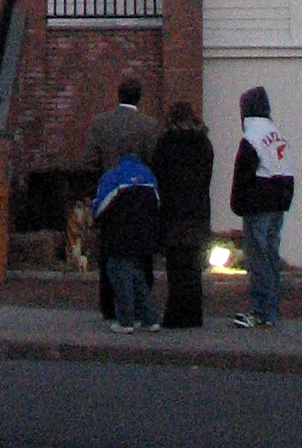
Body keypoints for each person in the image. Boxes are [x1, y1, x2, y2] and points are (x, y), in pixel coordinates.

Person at [86, 77, 157, 319]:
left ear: (118, 95)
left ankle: (110, 307)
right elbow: (153, 160)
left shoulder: (100, 123)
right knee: (140, 255)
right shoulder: (149, 125)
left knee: (111, 253)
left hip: (110, 195)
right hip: (139, 195)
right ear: (139, 97)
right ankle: (140, 307)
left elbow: (90, 161)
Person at [229, 84, 295, 328]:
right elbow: (287, 170)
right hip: (278, 201)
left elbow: (242, 174)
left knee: (257, 258)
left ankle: (261, 311)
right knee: (271, 256)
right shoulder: (275, 134)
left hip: (258, 203)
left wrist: (237, 204)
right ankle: (272, 308)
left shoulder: (251, 138)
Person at [150, 98, 214, 329]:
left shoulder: (166, 142)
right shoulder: (204, 143)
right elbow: (206, 177)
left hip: (173, 211)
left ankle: (175, 315)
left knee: (175, 266)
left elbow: (158, 175)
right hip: (197, 210)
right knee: (193, 266)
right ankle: (194, 315)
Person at [92, 151, 162, 332]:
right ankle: (150, 317)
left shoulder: (113, 176)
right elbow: (157, 203)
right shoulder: (148, 175)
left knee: (119, 274)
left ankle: (125, 320)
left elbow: (100, 206)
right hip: (143, 234)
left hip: (119, 234)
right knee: (137, 276)